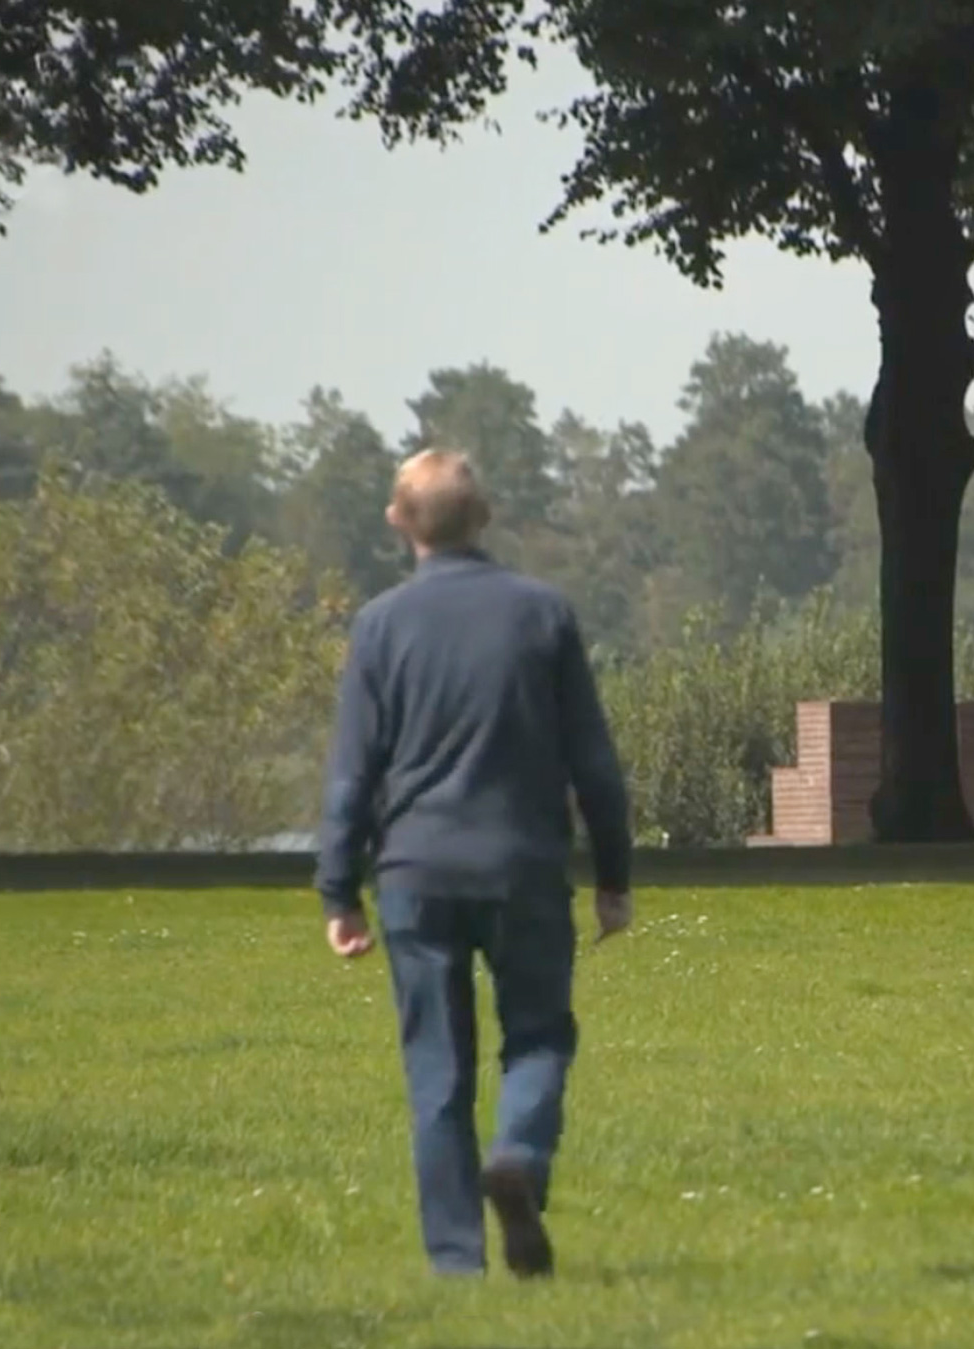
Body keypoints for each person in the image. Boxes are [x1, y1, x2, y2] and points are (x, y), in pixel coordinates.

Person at [314, 447, 634, 1279]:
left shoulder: (380, 626)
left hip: (416, 873)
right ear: (483, 516)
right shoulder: (542, 614)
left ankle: (456, 1262)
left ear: (398, 520)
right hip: (524, 866)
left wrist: (338, 891)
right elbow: (593, 762)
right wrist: (614, 876)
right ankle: (520, 1156)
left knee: (438, 1069)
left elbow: (353, 770)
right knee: (537, 1037)